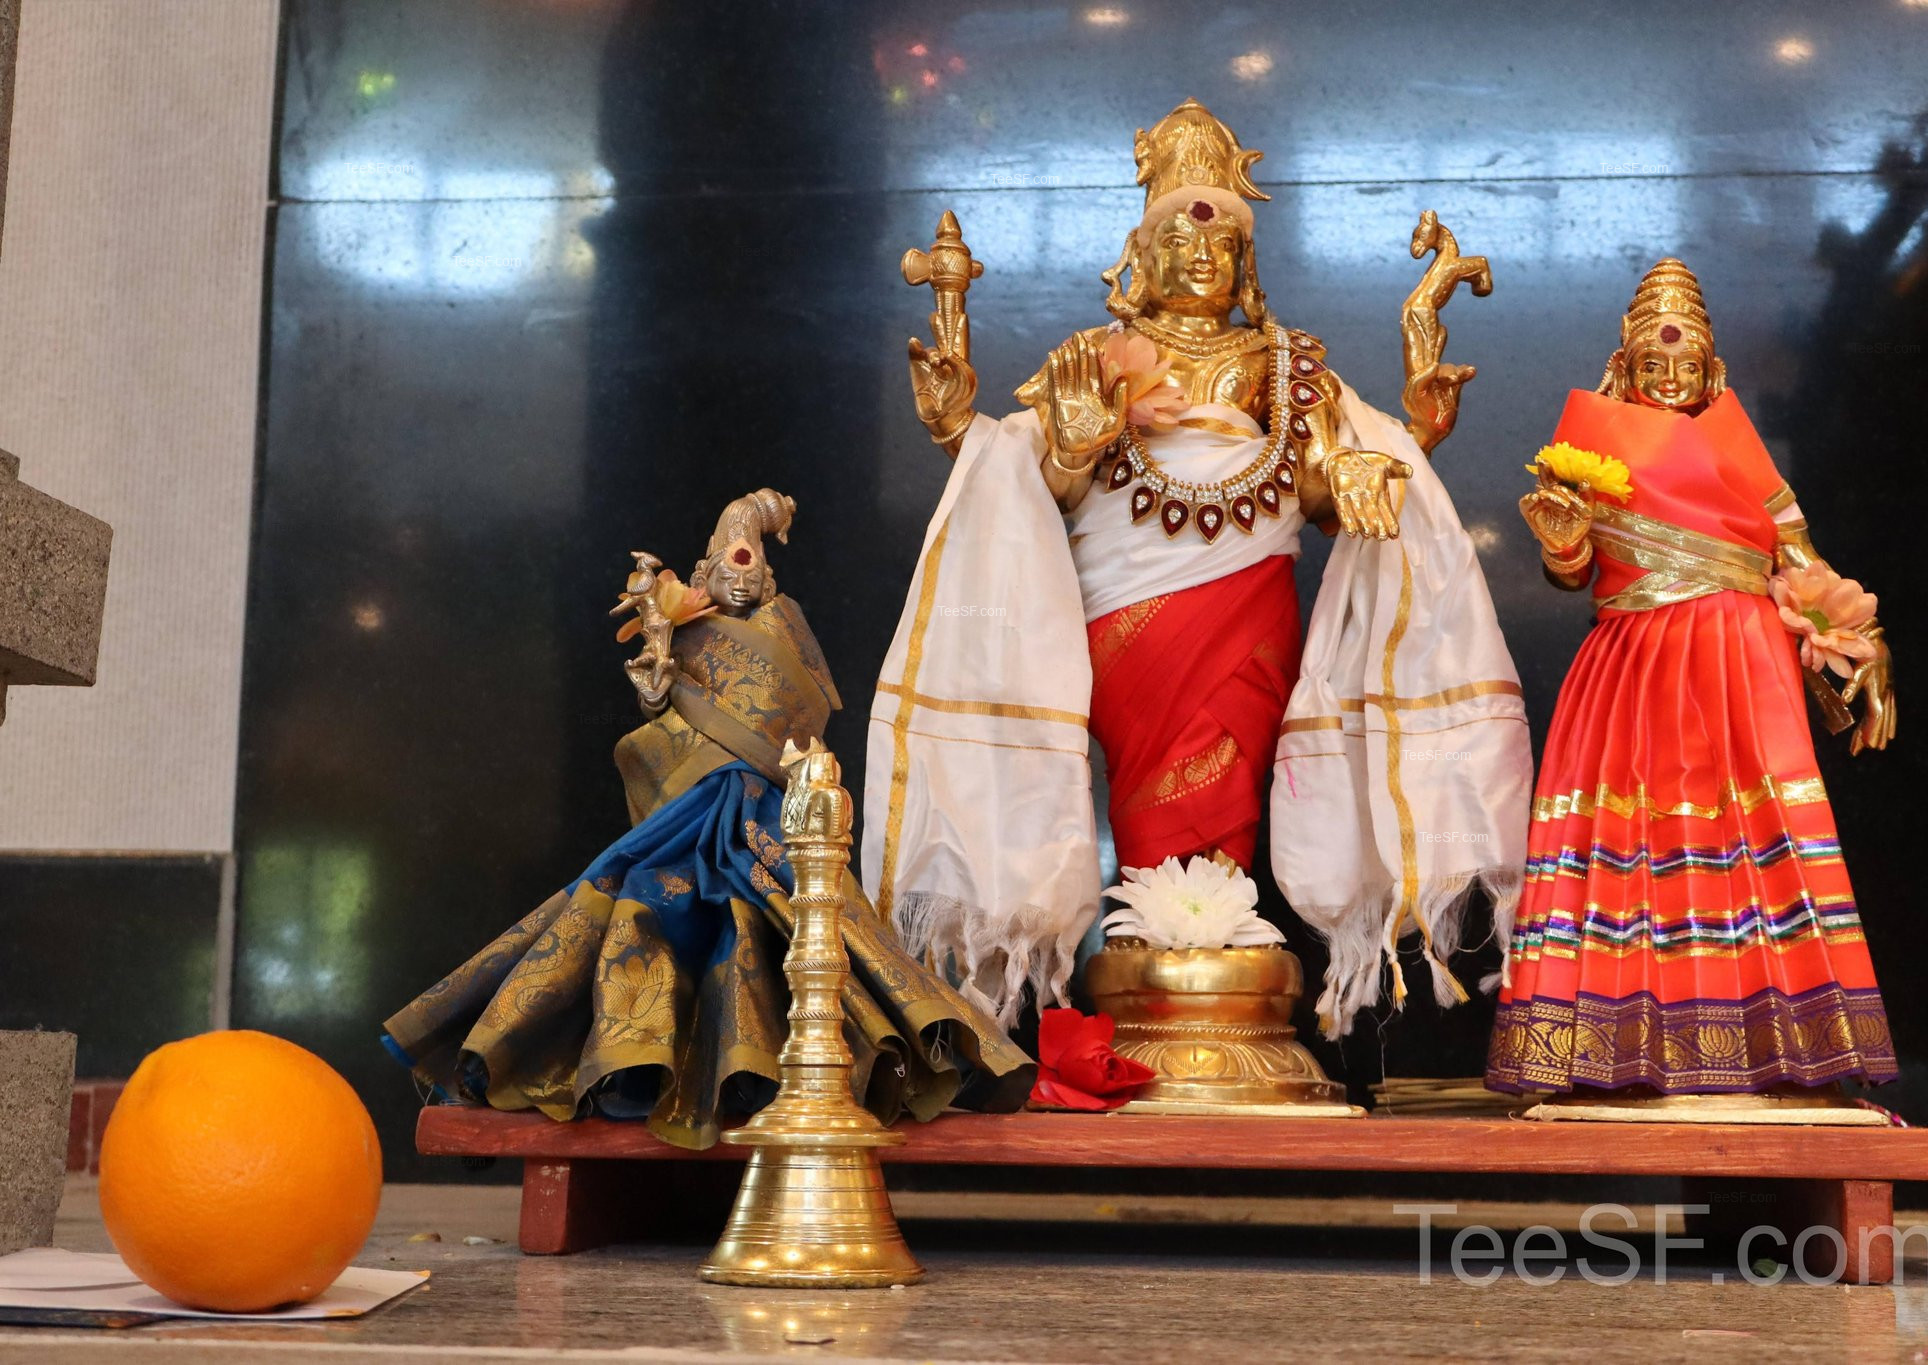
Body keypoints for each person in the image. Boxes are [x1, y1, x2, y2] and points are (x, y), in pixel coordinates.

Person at [873, 101, 1530, 1030]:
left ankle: (1223, 938)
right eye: (1177, 238)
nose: (1200, 257)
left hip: (1250, 614)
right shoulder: (1095, 358)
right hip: (1131, 622)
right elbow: (1038, 474)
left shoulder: (1285, 362)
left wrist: (1363, 463)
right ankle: (1144, 942)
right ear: (1139, 255)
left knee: (1232, 774)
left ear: (1247, 262)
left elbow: (1323, 476)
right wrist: (990, 430)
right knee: (1148, 790)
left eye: (1220, 242)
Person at [382, 490, 1032, 1148]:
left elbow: (804, 716)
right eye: (731, 568)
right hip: (689, 803)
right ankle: (635, 1064)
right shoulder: (686, 628)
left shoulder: (784, 625)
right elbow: (659, 711)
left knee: (800, 923)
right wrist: (658, 665)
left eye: (752, 570)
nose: (743, 580)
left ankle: (784, 1071)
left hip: (766, 809)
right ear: (706, 572)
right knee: (646, 904)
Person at [1487, 261, 1900, 1097]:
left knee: (1742, 843)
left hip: (1744, 670)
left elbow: (1808, 568)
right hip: (1632, 663)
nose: (1670, 381)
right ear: (1624, 369)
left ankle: (1772, 1045)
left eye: (1685, 367)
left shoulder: (1743, 459)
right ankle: (1611, 1044)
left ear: (1713, 371)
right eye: (1652, 367)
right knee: (1637, 845)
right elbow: (1569, 570)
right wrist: (1565, 541)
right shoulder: (1588, 447)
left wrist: (1870, 647)